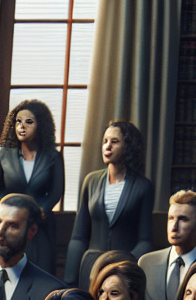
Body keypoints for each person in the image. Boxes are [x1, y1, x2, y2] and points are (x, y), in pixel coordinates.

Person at [64, 120, 154, 288]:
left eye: (115, 142)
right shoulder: (91, 181)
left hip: (123, 271)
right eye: (105, 141)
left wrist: (124, 264)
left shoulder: (143, 186)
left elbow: (145, 241)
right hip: (90, 269)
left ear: (128, 146)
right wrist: (69, 280)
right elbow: (79, 237)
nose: (107, 146)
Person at [0, 100, 65, 274]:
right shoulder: (3, 155)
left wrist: (37, 212)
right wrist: (11, 215)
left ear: (41, 125)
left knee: (41, 280)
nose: (22, 126)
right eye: (18, 121)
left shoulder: (53, 156)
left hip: (41, 229)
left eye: (29, 122)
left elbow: (55, 194)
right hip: (9, 232)